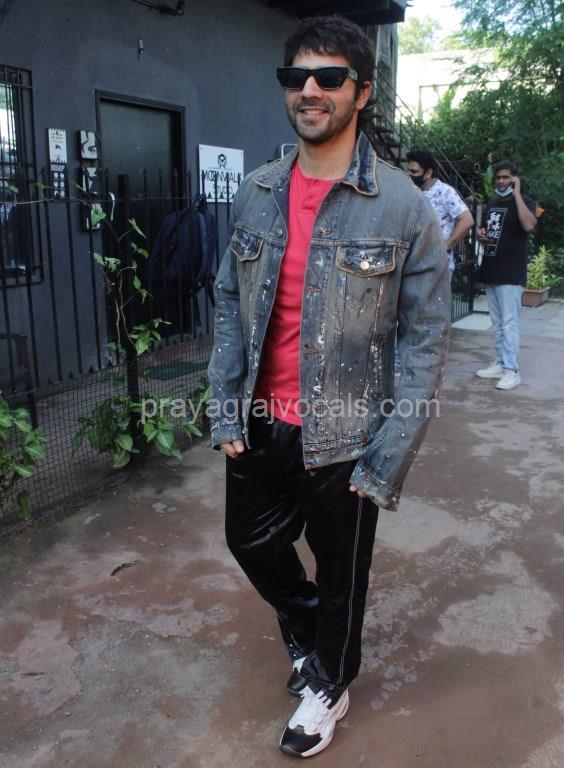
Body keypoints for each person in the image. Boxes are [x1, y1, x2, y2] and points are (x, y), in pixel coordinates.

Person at [207, 15, 450, 759]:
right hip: (261, 418)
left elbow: (426, 340)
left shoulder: (403, 207)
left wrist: (388, 455)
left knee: (343, 574)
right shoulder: (258, 190)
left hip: (347, 432)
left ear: (361, 92)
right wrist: (225, 405)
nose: (309, 90)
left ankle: (329, 683)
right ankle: (320, 639)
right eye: (296, 77)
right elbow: (228, 298)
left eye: (329, 77)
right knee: (249, 541)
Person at [475, 161, 537, 390]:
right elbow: (487, 231)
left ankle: (512, 371)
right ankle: (501, 363)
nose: (501, 181)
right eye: (498, 178)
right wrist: (480, 235)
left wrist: (517, 194)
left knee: (509, 324)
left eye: (506, 177)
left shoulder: (525, 201)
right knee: (497, 323)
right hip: (492, 269)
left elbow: (529, 225)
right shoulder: (492, 203)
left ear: (515, 179)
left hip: (511, 273)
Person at [406, 149, 474, 275]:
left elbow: (467, 220)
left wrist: (445, 246)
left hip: (437, 267)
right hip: (412, 264)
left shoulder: (445, 192)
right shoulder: (410, 191)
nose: (409, 175)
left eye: (414, 172)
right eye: (408, 171)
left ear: (428, 173)